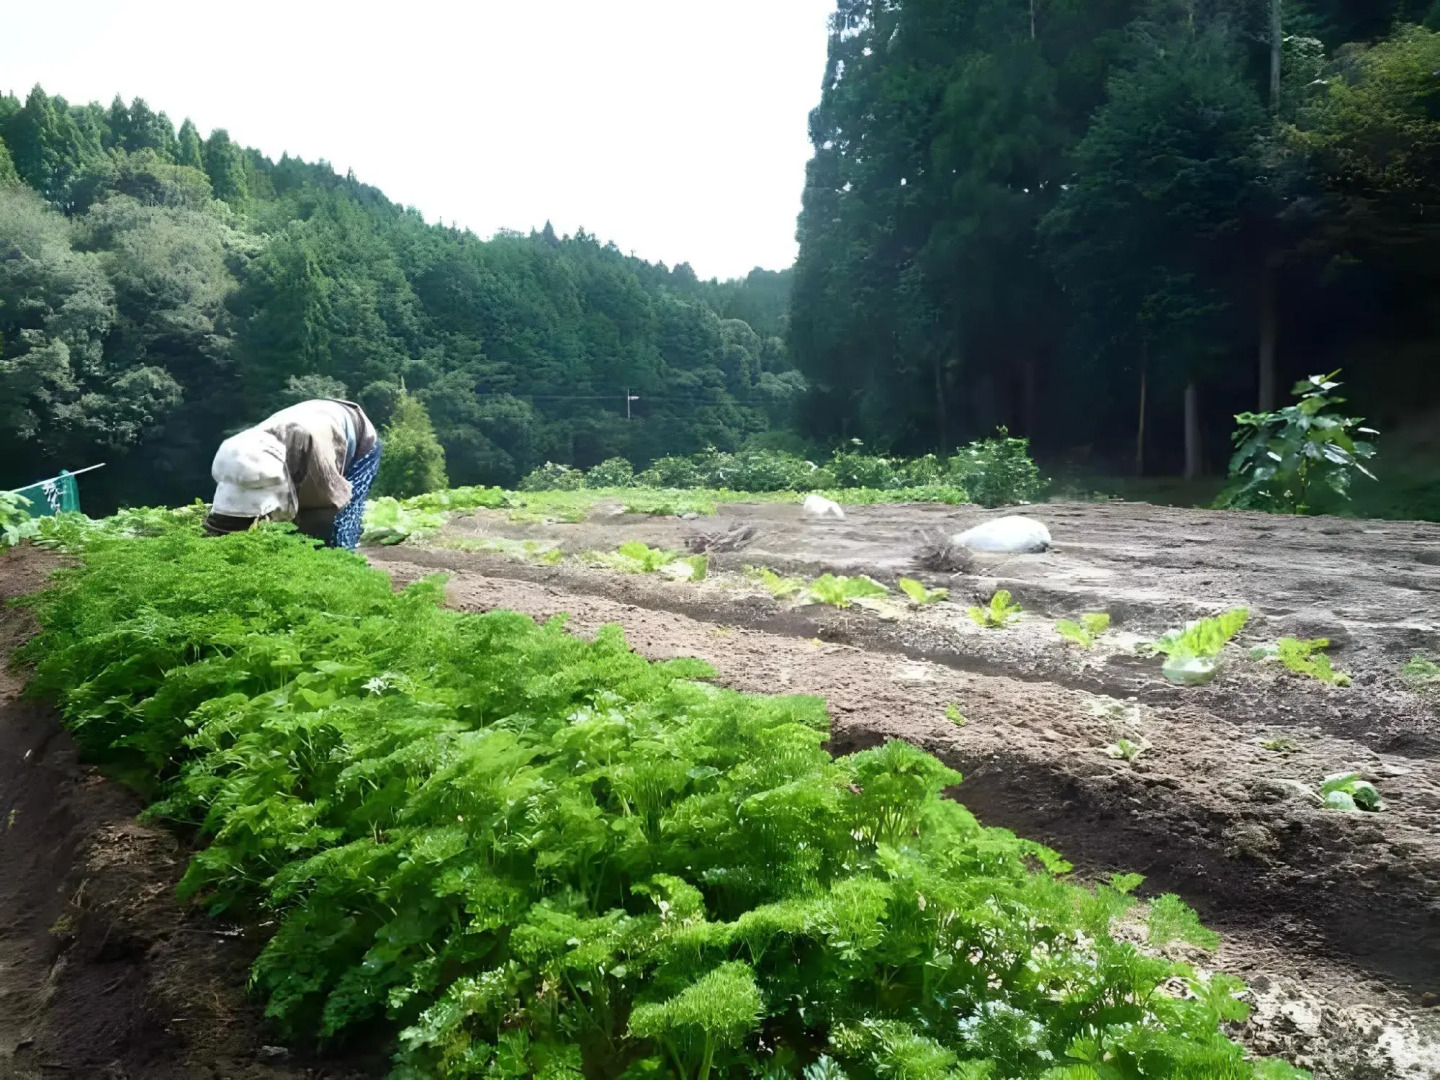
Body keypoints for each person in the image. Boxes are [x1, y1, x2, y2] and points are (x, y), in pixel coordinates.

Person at [204, 398, 382, 550]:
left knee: (337, 528)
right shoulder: (239, 458)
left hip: (359, 438)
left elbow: (332, 503)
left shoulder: (313, 456)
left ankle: (342, 565)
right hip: (310, 420)